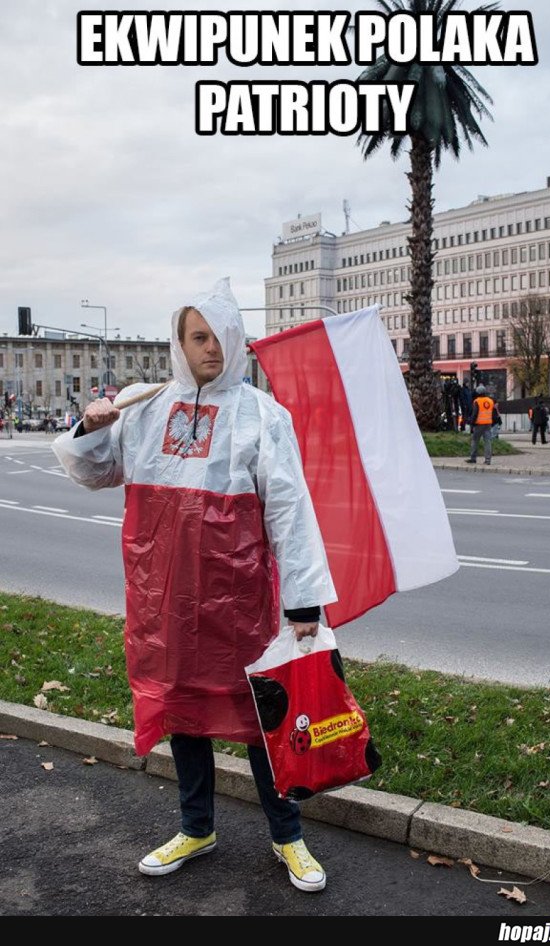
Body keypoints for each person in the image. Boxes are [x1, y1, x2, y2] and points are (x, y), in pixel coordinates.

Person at [53, 278, 337, 893]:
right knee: (182, 706)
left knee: (261, 715)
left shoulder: (263, 416)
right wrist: (91, 425)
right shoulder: (144, 405)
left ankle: (288, 836)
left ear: (236, 342)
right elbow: (95, 472)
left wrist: (303, 600)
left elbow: (289, 508)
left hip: (239, 601)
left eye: (219, 337)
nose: (210, 348)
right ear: (180, 343)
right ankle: (197, 825)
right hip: (164, 598)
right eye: (198, 337)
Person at [466, 384, 501, 465]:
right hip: (488, 424)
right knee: (487, 441)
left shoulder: (477, 401)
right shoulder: (490, 401)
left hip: (479, 424)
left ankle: (473, 458)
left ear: (478, 393)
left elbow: (475, 413)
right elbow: (493, 413)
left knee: (475, 440)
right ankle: (488, 460)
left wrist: (471, 423)